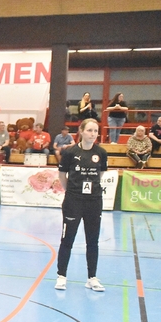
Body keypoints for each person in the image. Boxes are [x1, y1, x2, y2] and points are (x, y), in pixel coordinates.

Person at [55, 118, 108, 292]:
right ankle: (61, 276)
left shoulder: (101, 152)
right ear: (81, 131)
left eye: (95, 131)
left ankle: (92, 278)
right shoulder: (70, 152)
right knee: (67, 239)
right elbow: (62, 175)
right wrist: (72, 191)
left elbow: (100, 174)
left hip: (94, 201)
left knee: (92, 241)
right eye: (89, 130)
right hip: (73, 201)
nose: (93, 134)